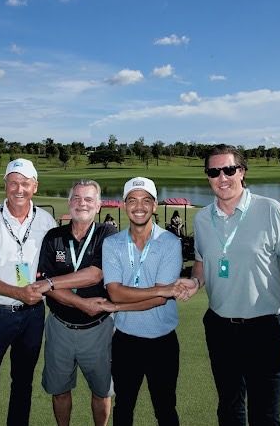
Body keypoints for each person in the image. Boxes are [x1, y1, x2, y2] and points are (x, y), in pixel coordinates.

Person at [180, 144, 280, 426]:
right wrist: (195, 281)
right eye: (214, 172)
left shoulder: (270, 210)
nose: (222, 177)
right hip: (220, 327)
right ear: (208, 177)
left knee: (265, 415)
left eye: (229, 169)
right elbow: (201, 262)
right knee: (229, 409)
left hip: (265, 328)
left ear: (242, 172)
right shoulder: (201, 218)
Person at [0, 158, 57, 426]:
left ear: (35, 187)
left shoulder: (47, 221)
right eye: (14, 182)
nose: (19, 189)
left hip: (33, 316)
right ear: (5, 184)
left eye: (25, 183)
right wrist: (17, 293)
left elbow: (53, 268)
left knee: (23, 383)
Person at [33, 179, 118, 426]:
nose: (83, 203)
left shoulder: (107, 234)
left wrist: (52, 283)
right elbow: (44, 284)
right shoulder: (53, 237)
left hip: (99, 329)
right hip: (59, 327)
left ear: (99, 205)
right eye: (77, 198)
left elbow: (96, 273)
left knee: (102, 392)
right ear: (70, 203)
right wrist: (80, 302)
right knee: (59, 390)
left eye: (89, 199)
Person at [102, 177, 184, 426]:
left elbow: (161, 299)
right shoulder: (112, 243)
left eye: (146, 200)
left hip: (163, 342)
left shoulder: (170, 242)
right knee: (124, 406)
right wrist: (162, 290)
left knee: (165, 408)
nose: (139, 206)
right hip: (126, 341)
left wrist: (117, 307)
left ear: (155, 205)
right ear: (124, 205)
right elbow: (115, 291)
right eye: (133, 200)